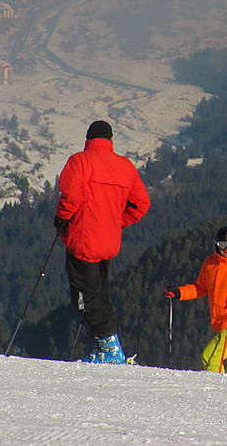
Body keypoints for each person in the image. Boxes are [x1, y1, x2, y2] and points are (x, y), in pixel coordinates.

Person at [54, 120, 150, 364]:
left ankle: (109, 349)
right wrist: (116, 221)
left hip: (83, 240)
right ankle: (106, 346)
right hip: (109, 244)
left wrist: (61, 218)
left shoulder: (80, 162)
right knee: (100, 294)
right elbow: (141, 204)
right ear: (110, 141)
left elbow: (71, 196)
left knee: (87, 297)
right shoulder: (125, 166)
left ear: (88, 138)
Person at [164, 226, 227, 374]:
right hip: (220, 321)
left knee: (210, 358)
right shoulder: (210, 264)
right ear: (216, 244)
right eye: (222, 245)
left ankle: (216, 389)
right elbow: (200, 287)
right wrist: (179, 293)